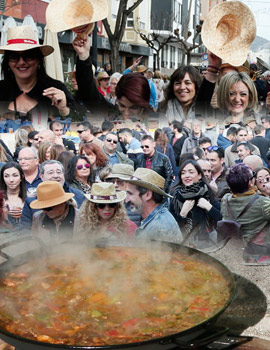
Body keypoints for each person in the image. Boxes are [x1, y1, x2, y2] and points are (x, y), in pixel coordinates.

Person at [0, 26, 74, 121]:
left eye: (28, 55)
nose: (21, 62)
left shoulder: (56, 89)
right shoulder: (1, 89)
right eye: (14, 56)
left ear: (38, 59)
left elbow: (78, 124)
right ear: (7, 62)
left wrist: (64, 110)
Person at [222, 163, 270, 264]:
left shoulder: (225, 200)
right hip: (261, 254)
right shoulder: (262, 203)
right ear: (251, 183)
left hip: (238, 252)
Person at [170, 159, 222, 251]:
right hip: (182, 245)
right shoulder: (176, 197)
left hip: (205, 245)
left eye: (191, 172)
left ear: (199, 175)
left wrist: (209, 207)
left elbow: (221, 220)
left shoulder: (207, 193)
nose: (187, 176)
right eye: (183, 173)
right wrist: (183, 214)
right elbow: (171, 229)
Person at [20, 160, 85, 230]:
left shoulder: (79, 196)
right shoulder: (32, 204)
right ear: (41, 176)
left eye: (59, 172)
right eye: (50, 173)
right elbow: (25, 231)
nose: (55, 176)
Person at [124, 168, 182, 242]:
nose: (126, 199)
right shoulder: (155, 220)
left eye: (131, 193)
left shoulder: (159, 227)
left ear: (148, 195)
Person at [30, 181, 79, 246]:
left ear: (63, 202)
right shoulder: (37, 217)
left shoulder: (82, 218)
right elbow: (35, 245)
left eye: (48, 208)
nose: (45, 212)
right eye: (42, 208)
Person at [0, 161, 26, 228]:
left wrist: (25, 213)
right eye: (6, 176)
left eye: (15, 175)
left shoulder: (30, 196)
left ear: (21, 177)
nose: (11, 180)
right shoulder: (1, 198)